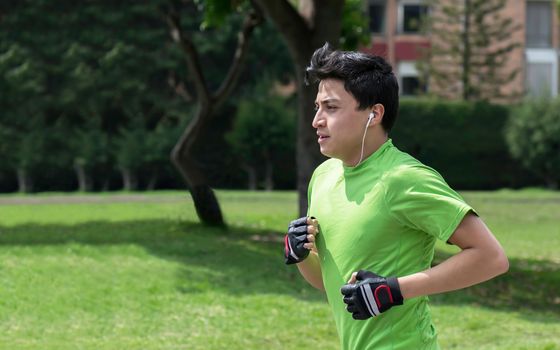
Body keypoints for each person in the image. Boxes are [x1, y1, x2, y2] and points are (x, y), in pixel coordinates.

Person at [284, 43, 509, 350]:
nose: (317, 120)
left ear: (374, 114)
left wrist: (394, 290)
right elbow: (334, 285)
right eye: (317, 107)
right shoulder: (324, 177)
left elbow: (491, 258)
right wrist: (300, 256)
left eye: (331, 108)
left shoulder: (405, 179)